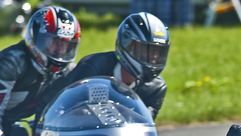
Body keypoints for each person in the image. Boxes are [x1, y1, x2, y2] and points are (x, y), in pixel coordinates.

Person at [41, 12, 170, 119]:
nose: (153, 58)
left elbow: (144, 128)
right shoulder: (93, 67)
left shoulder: (156, 88)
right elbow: (60, 108)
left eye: (158, 53)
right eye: (146, 51)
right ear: (127, 44)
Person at [0, 6, 80, 136]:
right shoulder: (10, 63)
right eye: (54, 42)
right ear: (35, 37)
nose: (59, 50)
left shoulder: (68, 72)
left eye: (65, 44)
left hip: (12, 125)